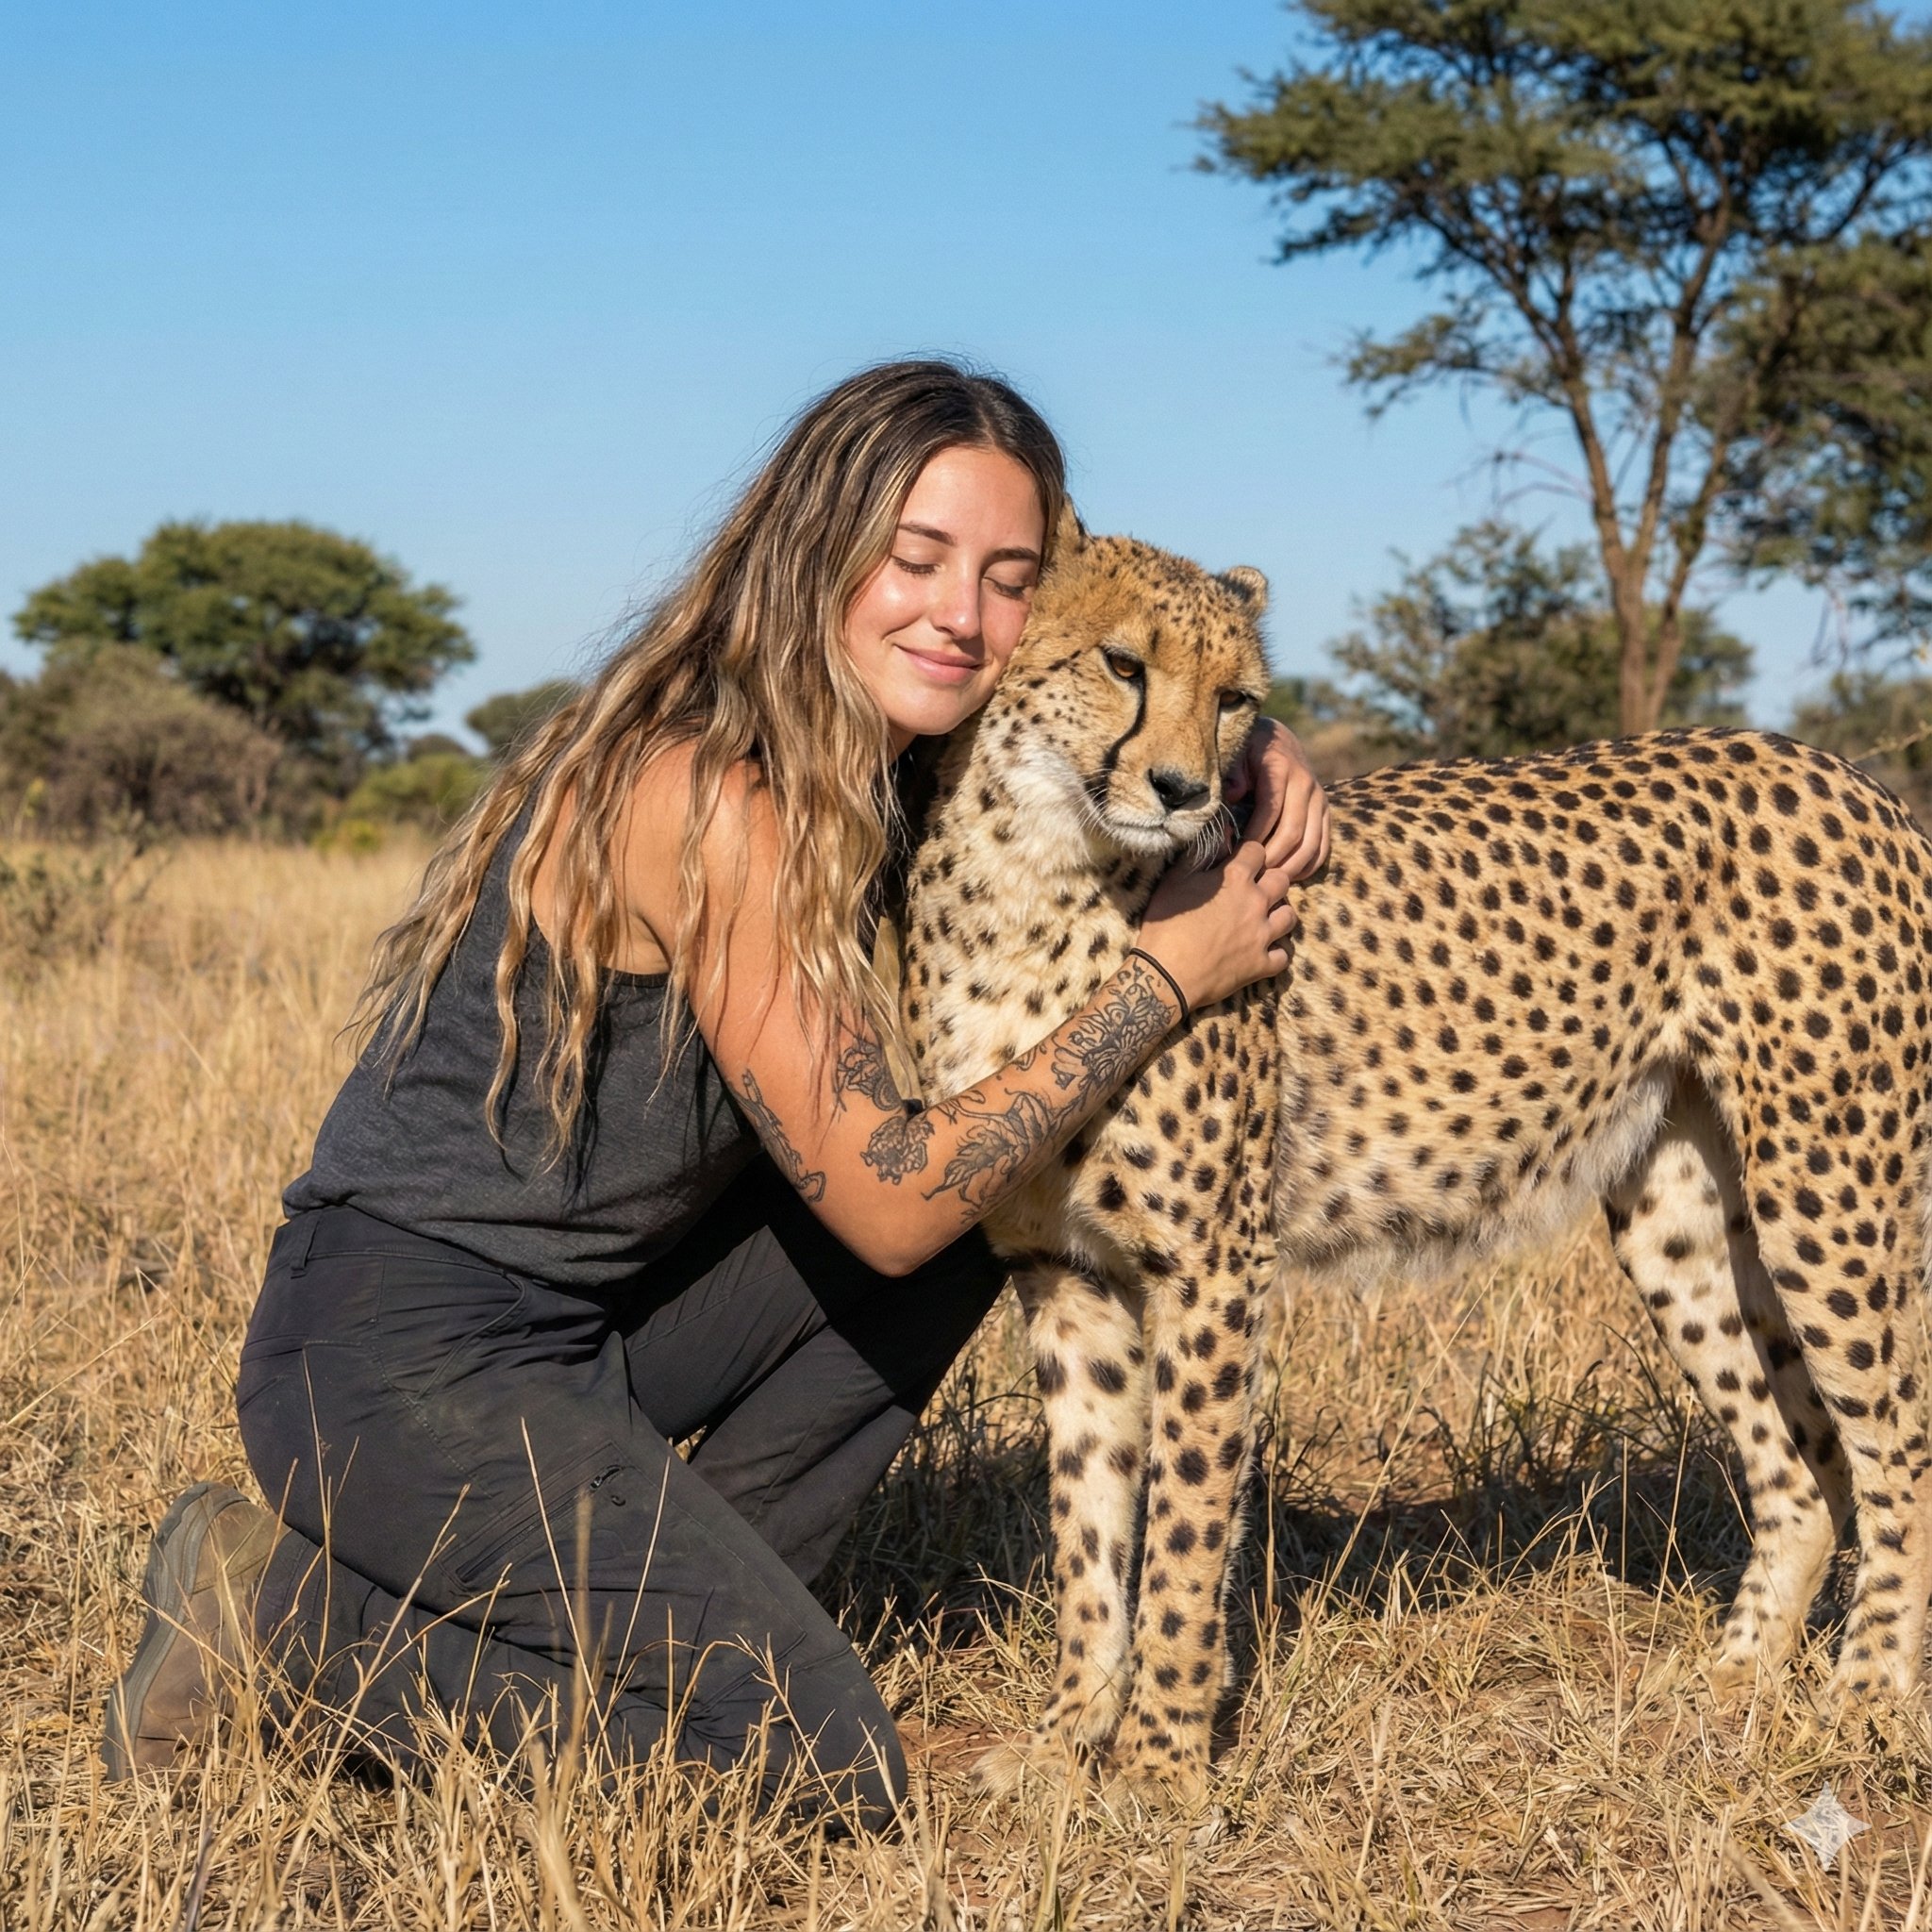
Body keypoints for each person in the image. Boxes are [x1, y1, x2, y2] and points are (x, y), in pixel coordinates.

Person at [102, 359, 1328, 1826]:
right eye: (916, 557)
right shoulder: (714, 790)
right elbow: (885, 1205)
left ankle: (636, 1606)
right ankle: (272, 1625)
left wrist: (1237, 722)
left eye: (1007, 581)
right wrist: (1163, 981)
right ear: (817, 549)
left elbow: (1140, 656)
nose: (961, 612)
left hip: (596, 1327)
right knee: (809, 1753)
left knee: (987, 1208)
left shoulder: (891, 764)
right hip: (395, 1349)